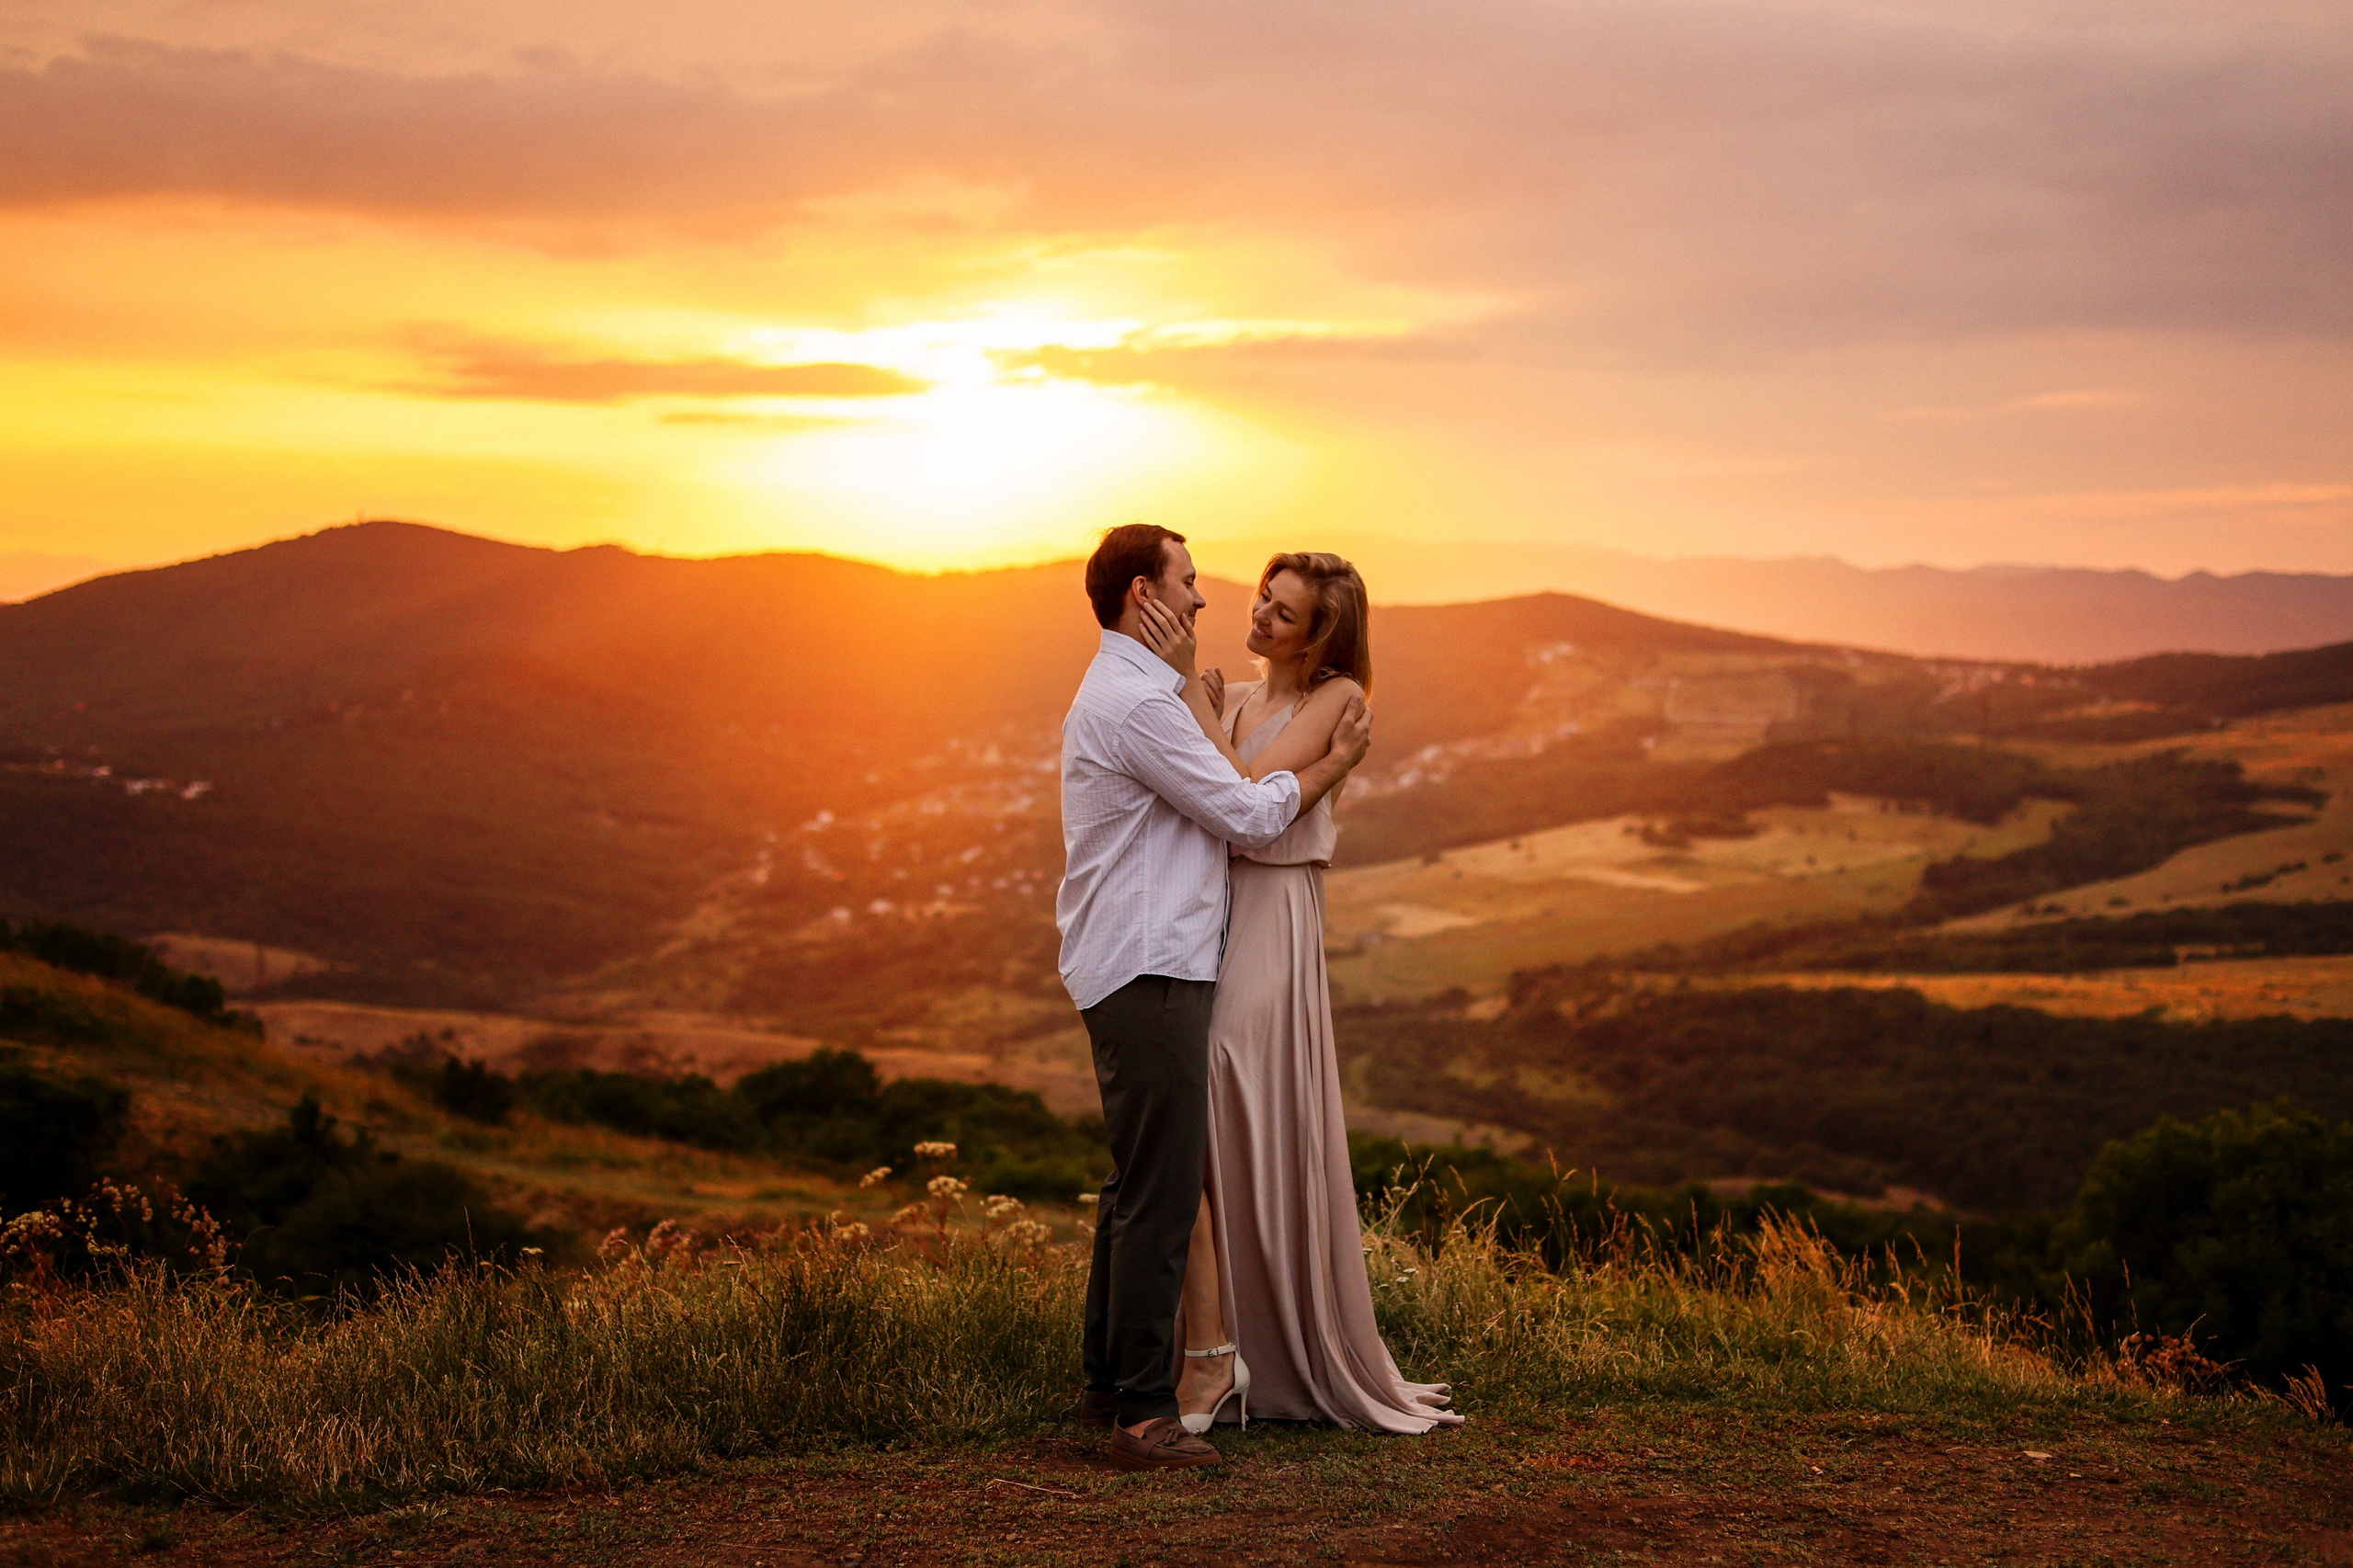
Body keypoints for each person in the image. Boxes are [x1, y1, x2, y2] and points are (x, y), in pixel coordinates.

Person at [1056, 524, 1372, 1472]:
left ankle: (1108, 1381)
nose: (1205, 602)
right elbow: (1243, 810)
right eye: (1188, 583)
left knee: (1133, 1182)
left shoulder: (1140, 689)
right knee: (1159, 1191)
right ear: (1145, 595)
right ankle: (1147, 1412)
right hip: (1151, 963)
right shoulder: (1146, 702)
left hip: (1141, 957)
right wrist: (1330, 771)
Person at [1165, 552, 1461, 1435]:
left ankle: (1275, 1350)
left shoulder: (1336, 702)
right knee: (1211, 1093)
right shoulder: (1239, 696)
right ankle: (1220, 1338)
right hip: (1217, 908)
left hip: (1275, 908)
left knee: (1223, 1067)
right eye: (1264, 597)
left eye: (1283, 614)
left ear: (1321, 636)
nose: (1258, 615)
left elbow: (1247, 799)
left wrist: (1192, 699)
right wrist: (1204, 704)